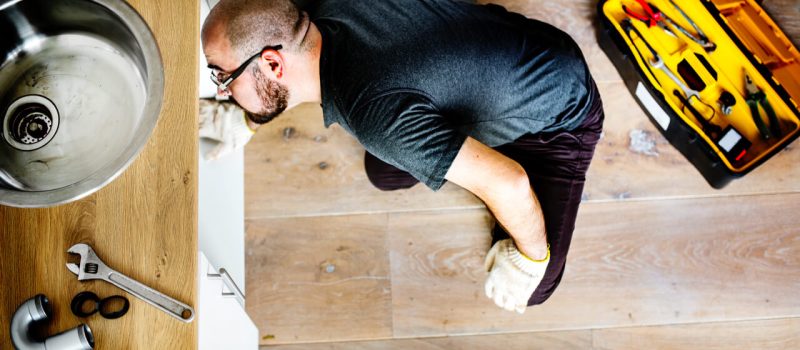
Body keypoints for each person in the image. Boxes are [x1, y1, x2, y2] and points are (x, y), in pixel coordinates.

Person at [201, 0, 604, 314]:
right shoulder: (302, 19)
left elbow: (510, 182)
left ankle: (486, 160)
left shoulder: (376, 115)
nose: (222, 91)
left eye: (223, 76)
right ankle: (467, 141)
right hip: (497, 49)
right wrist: (251, 120)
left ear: (272, 63)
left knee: (537, 284)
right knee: (385, 173)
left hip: (559, 112)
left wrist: (529, 261)